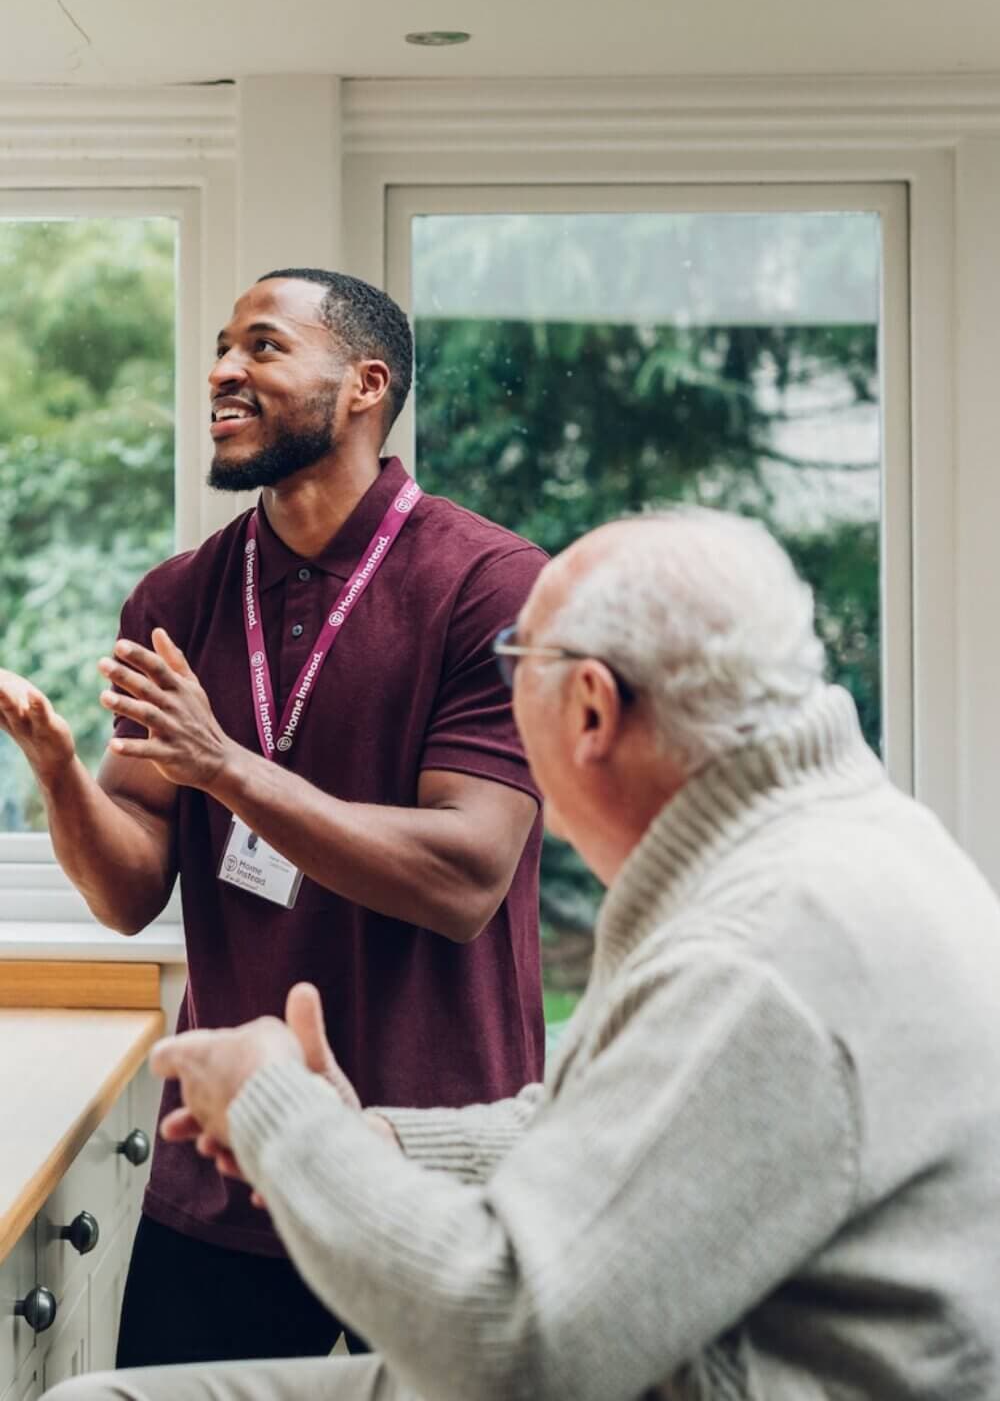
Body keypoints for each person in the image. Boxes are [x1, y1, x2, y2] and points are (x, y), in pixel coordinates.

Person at [48, 506, 1000, 1401]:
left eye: (517, 664)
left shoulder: (761, 947)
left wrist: (275, 1110)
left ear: (588, 708)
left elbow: (513, 1346)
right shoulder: (847, 843)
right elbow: (644, 1124)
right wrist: (384, 1139)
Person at [0, 268, 547, 1367]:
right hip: (228, 1169)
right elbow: (127, 891)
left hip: (437, 1170)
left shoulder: (490, 583)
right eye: (218, 348)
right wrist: (60, 776)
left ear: (363, 384)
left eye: (262, 346)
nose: (221, 371)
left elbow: (463, 878)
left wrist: (227, 767)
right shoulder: (178, 597)